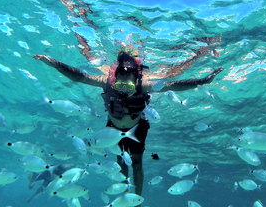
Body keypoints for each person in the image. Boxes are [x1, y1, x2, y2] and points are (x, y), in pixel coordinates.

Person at [33, 51, 223, 201]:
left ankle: (136, 198)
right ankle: (123, 195)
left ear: (136, 80)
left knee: (137, 164)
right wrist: (54, 63)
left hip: (138, 126)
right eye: (119, 86)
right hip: (113, 128)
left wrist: (203, 81)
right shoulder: (106, 82)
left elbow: (174, 85)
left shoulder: (144, 85)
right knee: (121, 162)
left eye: (128, 87)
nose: (123, 90)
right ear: (114, 78)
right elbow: (79, 76)